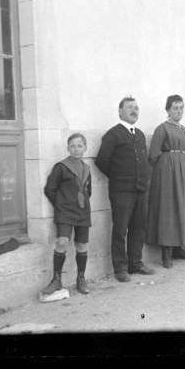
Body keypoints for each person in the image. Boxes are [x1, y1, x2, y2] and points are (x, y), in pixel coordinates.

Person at [95, 96, 155, 283]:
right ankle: (120, 268)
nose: (134, 111)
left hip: (141, 190)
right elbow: (102, 160)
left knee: (139, 228)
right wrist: (119, 177)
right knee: (120, 229)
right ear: (120, 111)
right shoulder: (113, 134)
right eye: (129, 107)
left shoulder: (139, 134)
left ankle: (135, 263)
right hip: (122, 191)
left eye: (136, 108)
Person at [146, 94, 185, 269]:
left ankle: (180, 248)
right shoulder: (162, 128)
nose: (179, 111)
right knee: (169, 208)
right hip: (168, 171)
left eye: (181, 108)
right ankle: (166, 254)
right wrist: (165, 170)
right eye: (175, 108)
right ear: (168, 110)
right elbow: (153, 155)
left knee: (183, 207)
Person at [42, 133, 93, 296]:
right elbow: (49, 189)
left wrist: (80, 203)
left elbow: (88, 191)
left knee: (81, 245)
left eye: (79, 146)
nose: (76, 149)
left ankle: (81, 279)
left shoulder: (87, 169)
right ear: (67, 148)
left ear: (85, 148)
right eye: (72, 146)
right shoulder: (61, 167)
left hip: (82, 211)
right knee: (62, 242)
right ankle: (56, 280)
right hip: (65, 212)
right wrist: (61, 204)